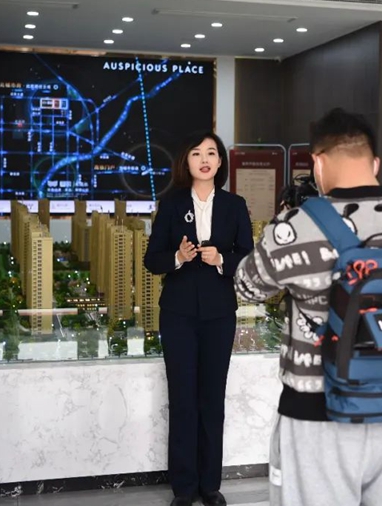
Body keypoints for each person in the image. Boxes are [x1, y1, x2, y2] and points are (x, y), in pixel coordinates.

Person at [234, 108, 382, 506]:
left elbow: (246, 287)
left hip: (314, 415)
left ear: (317, 163)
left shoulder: (294, 226)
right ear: (375, 162)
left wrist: (282, 231)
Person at [144, 131, 254, 506]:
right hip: (178, 315)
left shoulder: (235, 205)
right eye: (196, 153)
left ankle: (210, 485)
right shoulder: (171, 204)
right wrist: (178, 257)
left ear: (220, 162)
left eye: (211, 153)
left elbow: (247, 258)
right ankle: (184, 488)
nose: (204, 159)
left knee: (212, 398)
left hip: (219, 314)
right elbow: (152, 259)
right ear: (186, 162)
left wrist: (221, 259)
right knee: (183, 399)